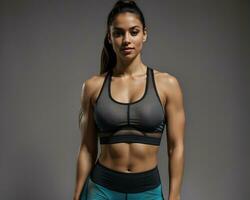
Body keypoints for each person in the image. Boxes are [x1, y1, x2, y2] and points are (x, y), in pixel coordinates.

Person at [73, 0, 185, 200]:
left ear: (145, 34)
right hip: (101, 190)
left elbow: (175, 147)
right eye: (118, 33)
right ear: (109, 37)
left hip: (147, 191)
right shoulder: (93, 87)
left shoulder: (167, 85)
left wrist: (175, 196)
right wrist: (76, 195)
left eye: (134, 32)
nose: (126, 39)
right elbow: (87, 150)